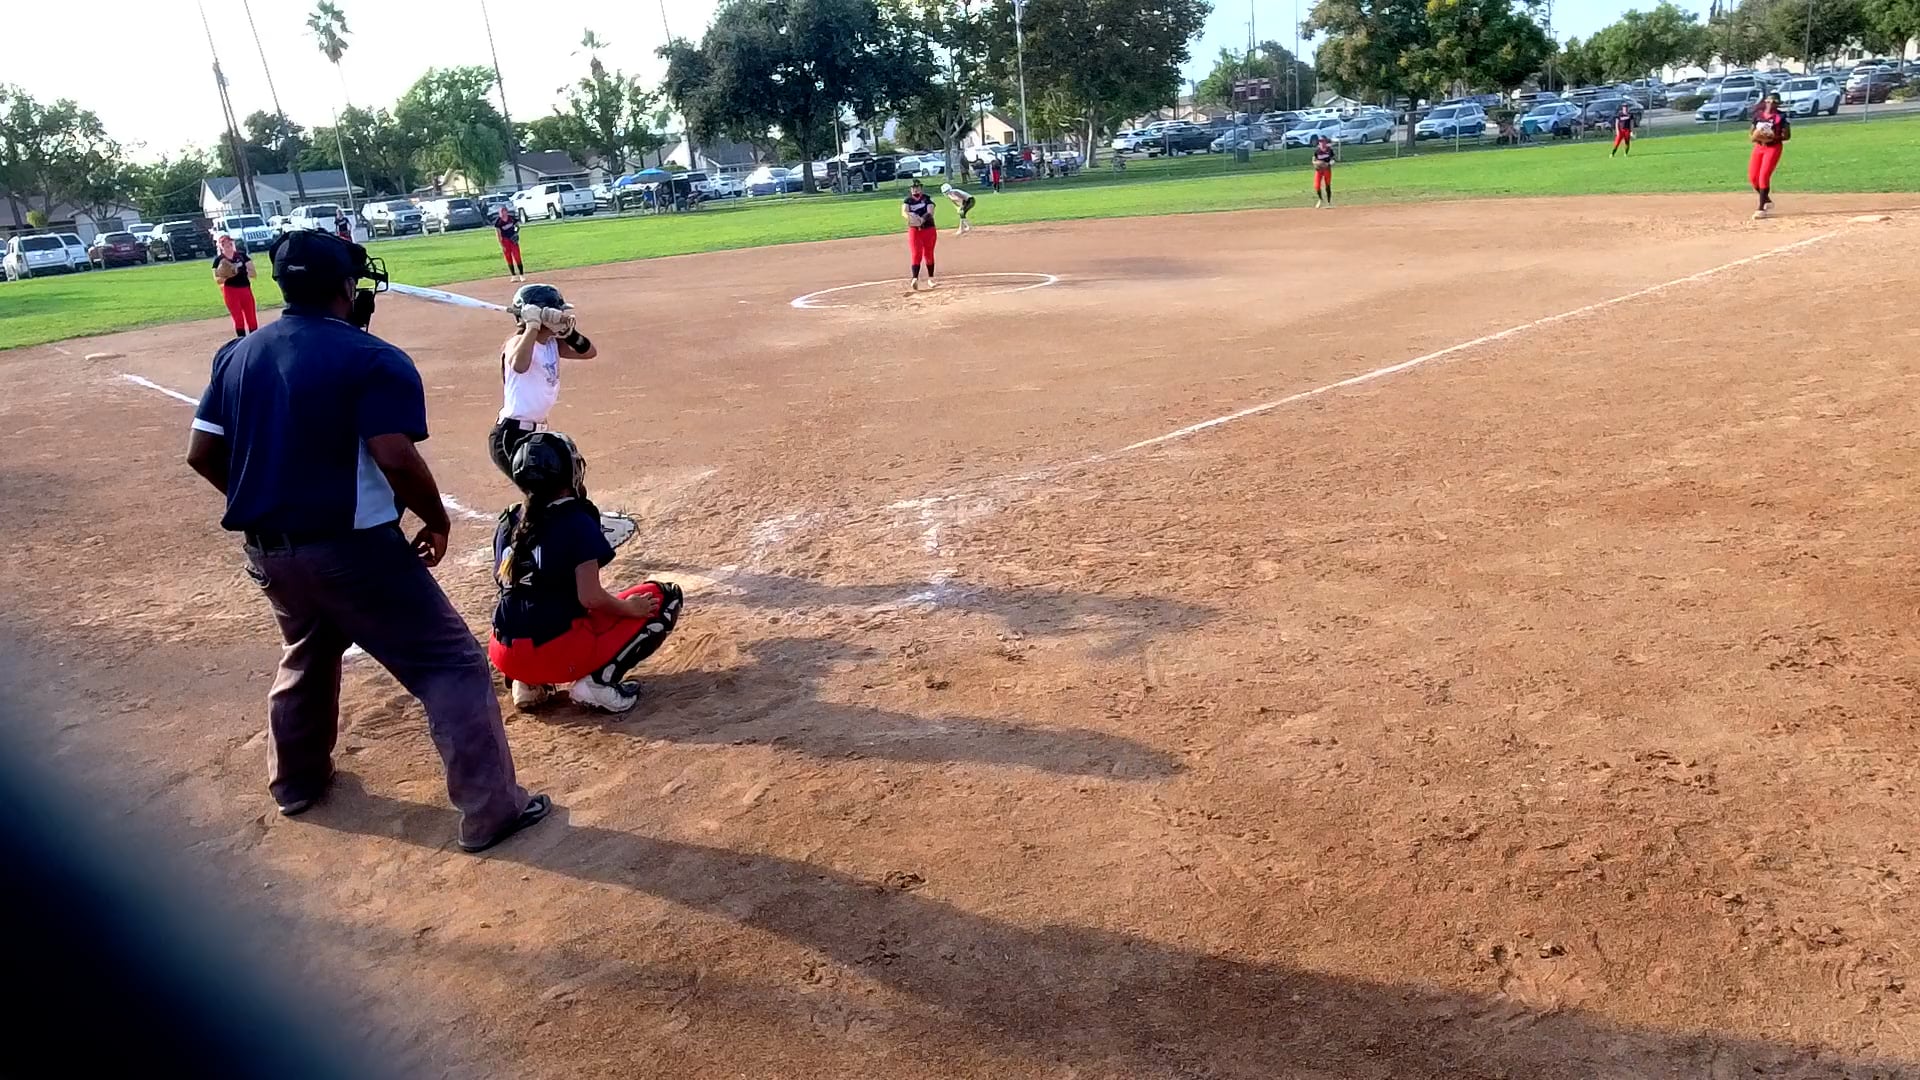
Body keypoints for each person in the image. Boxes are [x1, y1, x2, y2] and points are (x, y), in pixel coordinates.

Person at [184, 229, 550, 854]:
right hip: (353, 550)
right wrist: (435, 520)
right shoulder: (369, 356)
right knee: (451, 664)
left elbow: (202, 453)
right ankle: (492, 811)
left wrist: (270, 503)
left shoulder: (237, 353)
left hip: (271, 552)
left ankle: (296, 783)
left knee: (308, 652)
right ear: (345, 287)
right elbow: (395, 456)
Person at [488, 432, 684, 713]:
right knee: (663, 597)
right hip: (556, 653)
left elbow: (507, 582)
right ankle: (597, 683)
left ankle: (527, 683)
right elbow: (590, 598)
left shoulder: (508, 521)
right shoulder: (576, 520)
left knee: (535, 604)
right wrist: (630, 608)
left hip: (504, 653)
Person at [489, 283, 597, 480]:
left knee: (563, 485)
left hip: (538, 433)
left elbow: (589, 352)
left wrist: (569, 334)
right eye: (558, 311)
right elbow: (519, 365)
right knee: (539, 491)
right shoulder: (517, 343)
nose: (562, 315)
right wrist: (532, 326)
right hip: (511, 435)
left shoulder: (552, 343)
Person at [1749, 94, 1790, 219]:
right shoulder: (1758, 115)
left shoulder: (1780, 117)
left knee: (1763, 176)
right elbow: (1751, 131)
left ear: (1778, 104)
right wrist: (1755, 136)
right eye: (1768, 101)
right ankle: (1766, 200)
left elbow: (1787, 136)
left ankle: (1761, 208)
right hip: (1759, 147)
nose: (1770, 103)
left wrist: (1772, 137)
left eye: (1774, 102)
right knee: (1753, 178)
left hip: (1773, 147)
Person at [211, 234, 259, 337]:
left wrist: (242, 271)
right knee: (238, 318)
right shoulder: (218, 260)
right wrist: (228, 275)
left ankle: (253, 340)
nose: (227, 245)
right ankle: (241, 341)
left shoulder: (242, 256)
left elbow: (253, 273)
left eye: (229, 242)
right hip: (230, 291)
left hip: (245, 289)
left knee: (251, 317)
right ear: (220, 246)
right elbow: (217, 280)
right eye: (224, 243)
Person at [902, 178, 939, 291]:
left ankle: (931, 278)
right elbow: (904, 211)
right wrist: (910, 217)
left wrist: (922, 219)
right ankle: (915, 278)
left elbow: (930, 211)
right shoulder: (908, 201)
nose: (915, 189)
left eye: (917, 187)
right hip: (915, 230)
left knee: (928, 253)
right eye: (913, 188)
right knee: (916, 253)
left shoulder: (926, 199)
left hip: (928, 228)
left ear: (921, 188)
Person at [494, 205, 525, 281]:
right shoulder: (498, 222)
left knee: (517, 257)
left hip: (513, 240)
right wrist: (501, 245)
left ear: (506, 212)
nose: (502, 213)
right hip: (505, 241)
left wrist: (515, 233)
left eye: (503, 211)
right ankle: (513, 275)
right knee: (508, 258)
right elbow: (498, 234)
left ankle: (521, 275)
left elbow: (517, 226)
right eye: (501, 212)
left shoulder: (511, 218)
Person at [1312, 135, 1337, 208]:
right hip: (1319, 170)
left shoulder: (1329, 150)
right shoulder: (1317, 151)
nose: (1321, 143)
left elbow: (1333, 159)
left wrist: (1329, 163)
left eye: (1323, 141)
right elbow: (1313, 160)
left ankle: (1329, 202)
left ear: (1326, 142)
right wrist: (1316, 163)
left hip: (1327, 169)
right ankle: (1320, 199)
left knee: (1327, 185)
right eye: (1320, 141)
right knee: (1317, 185)